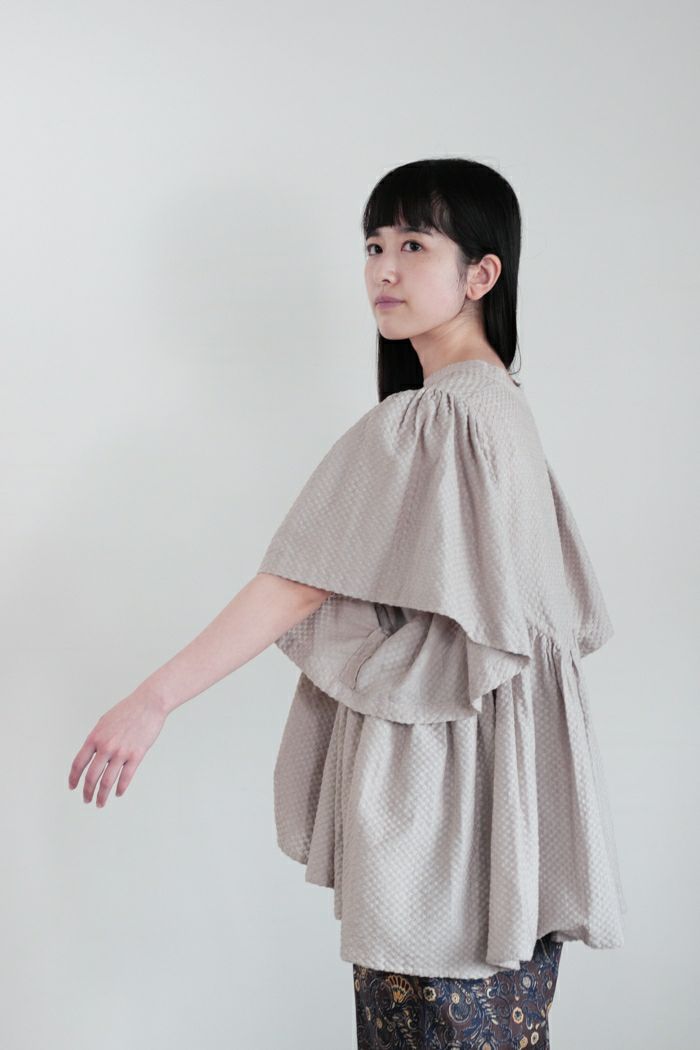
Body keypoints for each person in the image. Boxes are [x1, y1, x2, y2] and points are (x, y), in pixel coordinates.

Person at [68, 158, 626, 1049]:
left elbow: (298, 582)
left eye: (414, 244)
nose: (384, 269)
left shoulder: (434, 419)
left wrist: (154, 698)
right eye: (373, 246)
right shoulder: (504, 412)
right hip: (502, 827)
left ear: (482, 274)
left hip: (443, 821)